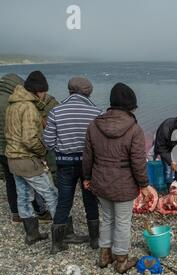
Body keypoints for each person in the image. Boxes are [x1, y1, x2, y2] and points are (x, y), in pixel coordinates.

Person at [83, 82, 153, 274]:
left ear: (112, 103)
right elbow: (138, 162)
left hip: (100, 180)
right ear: (131, 106)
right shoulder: (134, 129)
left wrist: (87, 177)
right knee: (122, 221)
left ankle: (104, 255)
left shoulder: (94, 125)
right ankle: (121, 259)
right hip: (123, 184)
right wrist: (144, 185)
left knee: (107, 218)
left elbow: (88, 156)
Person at [44, 77, 102, 254]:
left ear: (70, 91)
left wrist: (60, 151)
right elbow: (99, 143)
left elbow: (47, 141)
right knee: (90, 200)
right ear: (88, 92)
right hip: (88, 165)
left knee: (64, 201)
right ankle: (94, 240)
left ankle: (57, 243)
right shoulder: (96, 112)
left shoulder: (56, 111)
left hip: (64, 163)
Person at [4, 71, 58, 245]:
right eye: (43, 91)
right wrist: (43, 151)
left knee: (24, 196)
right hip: (27, 159)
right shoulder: (28, 107)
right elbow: (29, 139)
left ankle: (32, 234)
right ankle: (63, 233)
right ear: (37, 91)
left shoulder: (12, 104)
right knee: (51, 194)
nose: (44, 95)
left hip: (13, 158)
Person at [0, 74, 50, 222]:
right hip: (19, 150)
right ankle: (41, 212)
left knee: (11, 181)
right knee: (33, 184)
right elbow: (28, 136)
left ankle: (16, 214)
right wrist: (42, 151)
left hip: (6, 151)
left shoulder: (11, 101)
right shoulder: (21, 105)